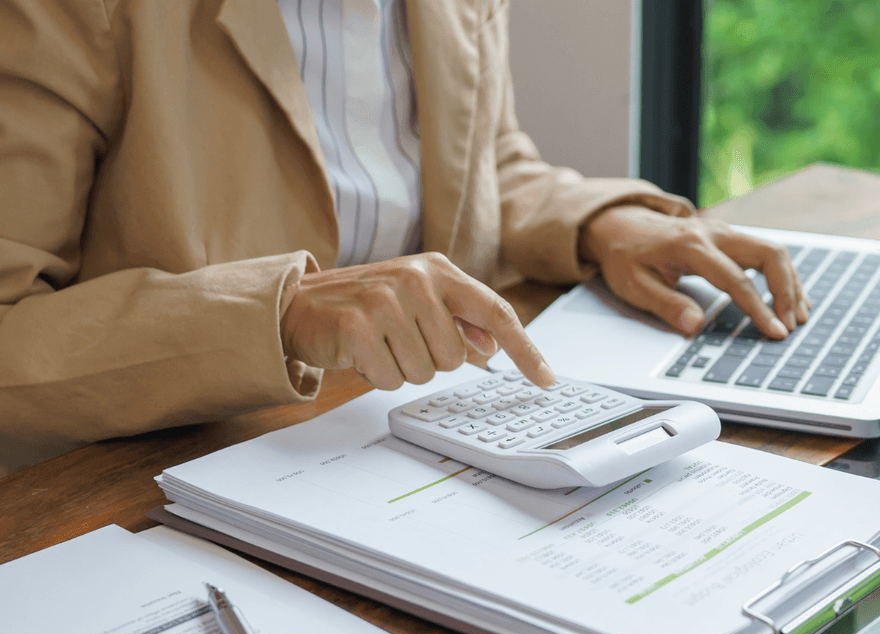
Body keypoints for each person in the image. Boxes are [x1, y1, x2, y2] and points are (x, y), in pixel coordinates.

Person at [0, 0, 808, 474]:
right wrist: (280, 313)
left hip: (415, 442)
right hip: (175, 471)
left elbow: (486, 162)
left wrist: (601, 222)